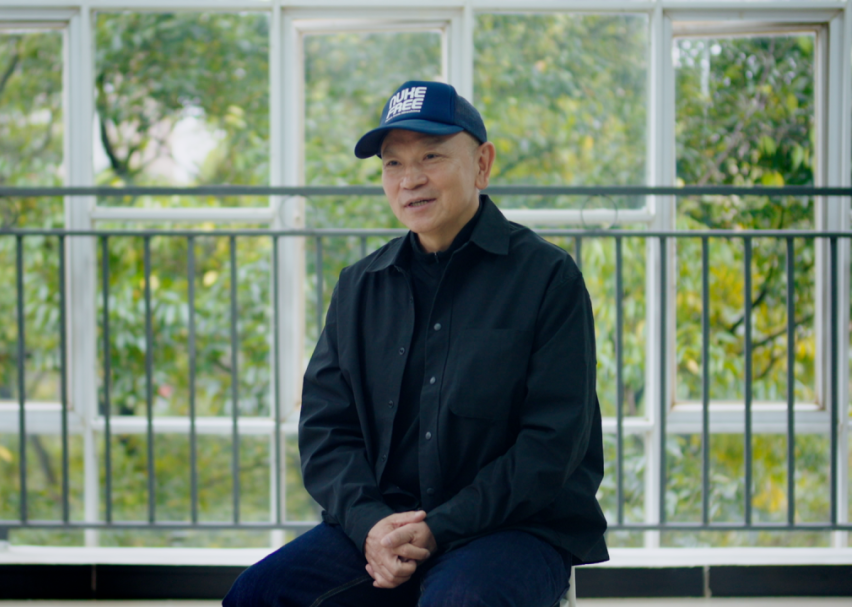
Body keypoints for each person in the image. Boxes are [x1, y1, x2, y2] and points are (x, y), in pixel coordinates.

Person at [223, 80, 608, 607]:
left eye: (431, 156)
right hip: (385, 524)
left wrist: (440, 527)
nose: (410, 179)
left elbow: (552, 444)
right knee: (256, 596)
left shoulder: (547, 278)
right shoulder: (360, 286)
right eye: (393, 163)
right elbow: (326, 431)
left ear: (482, 164)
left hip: (513, 527)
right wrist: (371, 526)